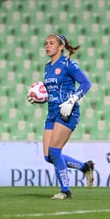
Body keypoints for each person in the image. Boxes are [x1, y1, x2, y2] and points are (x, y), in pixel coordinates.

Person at [27, 33, 93, 199]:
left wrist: (72, 100)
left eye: (51, 43)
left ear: (61, 46)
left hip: (67, 112)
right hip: (52, 113)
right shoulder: (47, 67)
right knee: (48, 156)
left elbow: (86, 83)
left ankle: (66, 191)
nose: (47, 46)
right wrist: (39, 99)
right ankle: (85, 167)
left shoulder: (68, 64)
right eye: (46, 43)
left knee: (55, 152)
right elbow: (51, 92)